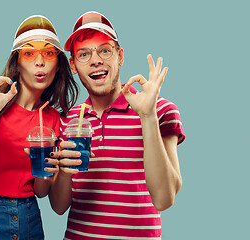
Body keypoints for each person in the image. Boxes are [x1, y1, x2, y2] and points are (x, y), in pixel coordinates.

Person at [49, 11, 185, 239]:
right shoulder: (70, 119)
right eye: (84, 54)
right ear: (73, 65)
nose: (95, 60)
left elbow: (164, 199)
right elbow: (58, 207)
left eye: (104, 50)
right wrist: (64, 173)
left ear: (120, 56)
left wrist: (148, 117)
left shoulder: (160, 110)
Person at [0, 15, 78, 239]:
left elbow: (41, 192)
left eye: (49, 53)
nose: (39, 61)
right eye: (29, 53)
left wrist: (44, 169)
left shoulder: (52, 119)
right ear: (17, 62)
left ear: (59, 65)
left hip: (28, 216)